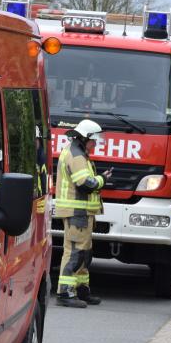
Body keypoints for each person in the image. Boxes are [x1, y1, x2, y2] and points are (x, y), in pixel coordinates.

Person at [54, 119, 112, 307]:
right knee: (75, 252)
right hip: (76, 211)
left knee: (84, 252)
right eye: (94, 140)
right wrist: (102, 179)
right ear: (85, 137)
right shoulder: (77, 155)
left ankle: (81, 290)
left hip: (81, 212)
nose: (96, 144)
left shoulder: (77, 152)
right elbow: (86, 184)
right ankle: (65, 293)